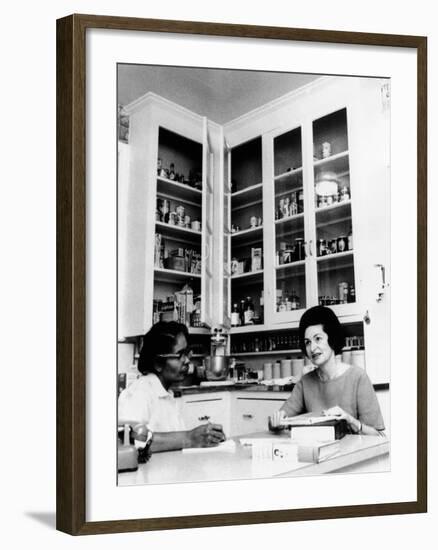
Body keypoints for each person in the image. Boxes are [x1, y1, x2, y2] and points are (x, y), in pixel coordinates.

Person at [270, 306, 385, 436]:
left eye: (318, 339)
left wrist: (350, 420)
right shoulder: (305, 382)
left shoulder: (358, 377)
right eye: (307, 342)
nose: (312, 348)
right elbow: (280, 418)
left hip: (351, 454)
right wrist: (275, 423)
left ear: (332, 338)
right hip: (319, 453)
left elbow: (379, 437)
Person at [118, 321, 226, 452]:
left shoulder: (166, 393)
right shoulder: (139, 392)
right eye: (180, 355)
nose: (186, 360)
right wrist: (189, 438)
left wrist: (208, 437)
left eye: (186, 353)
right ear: (158, 363)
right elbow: (128, 439)